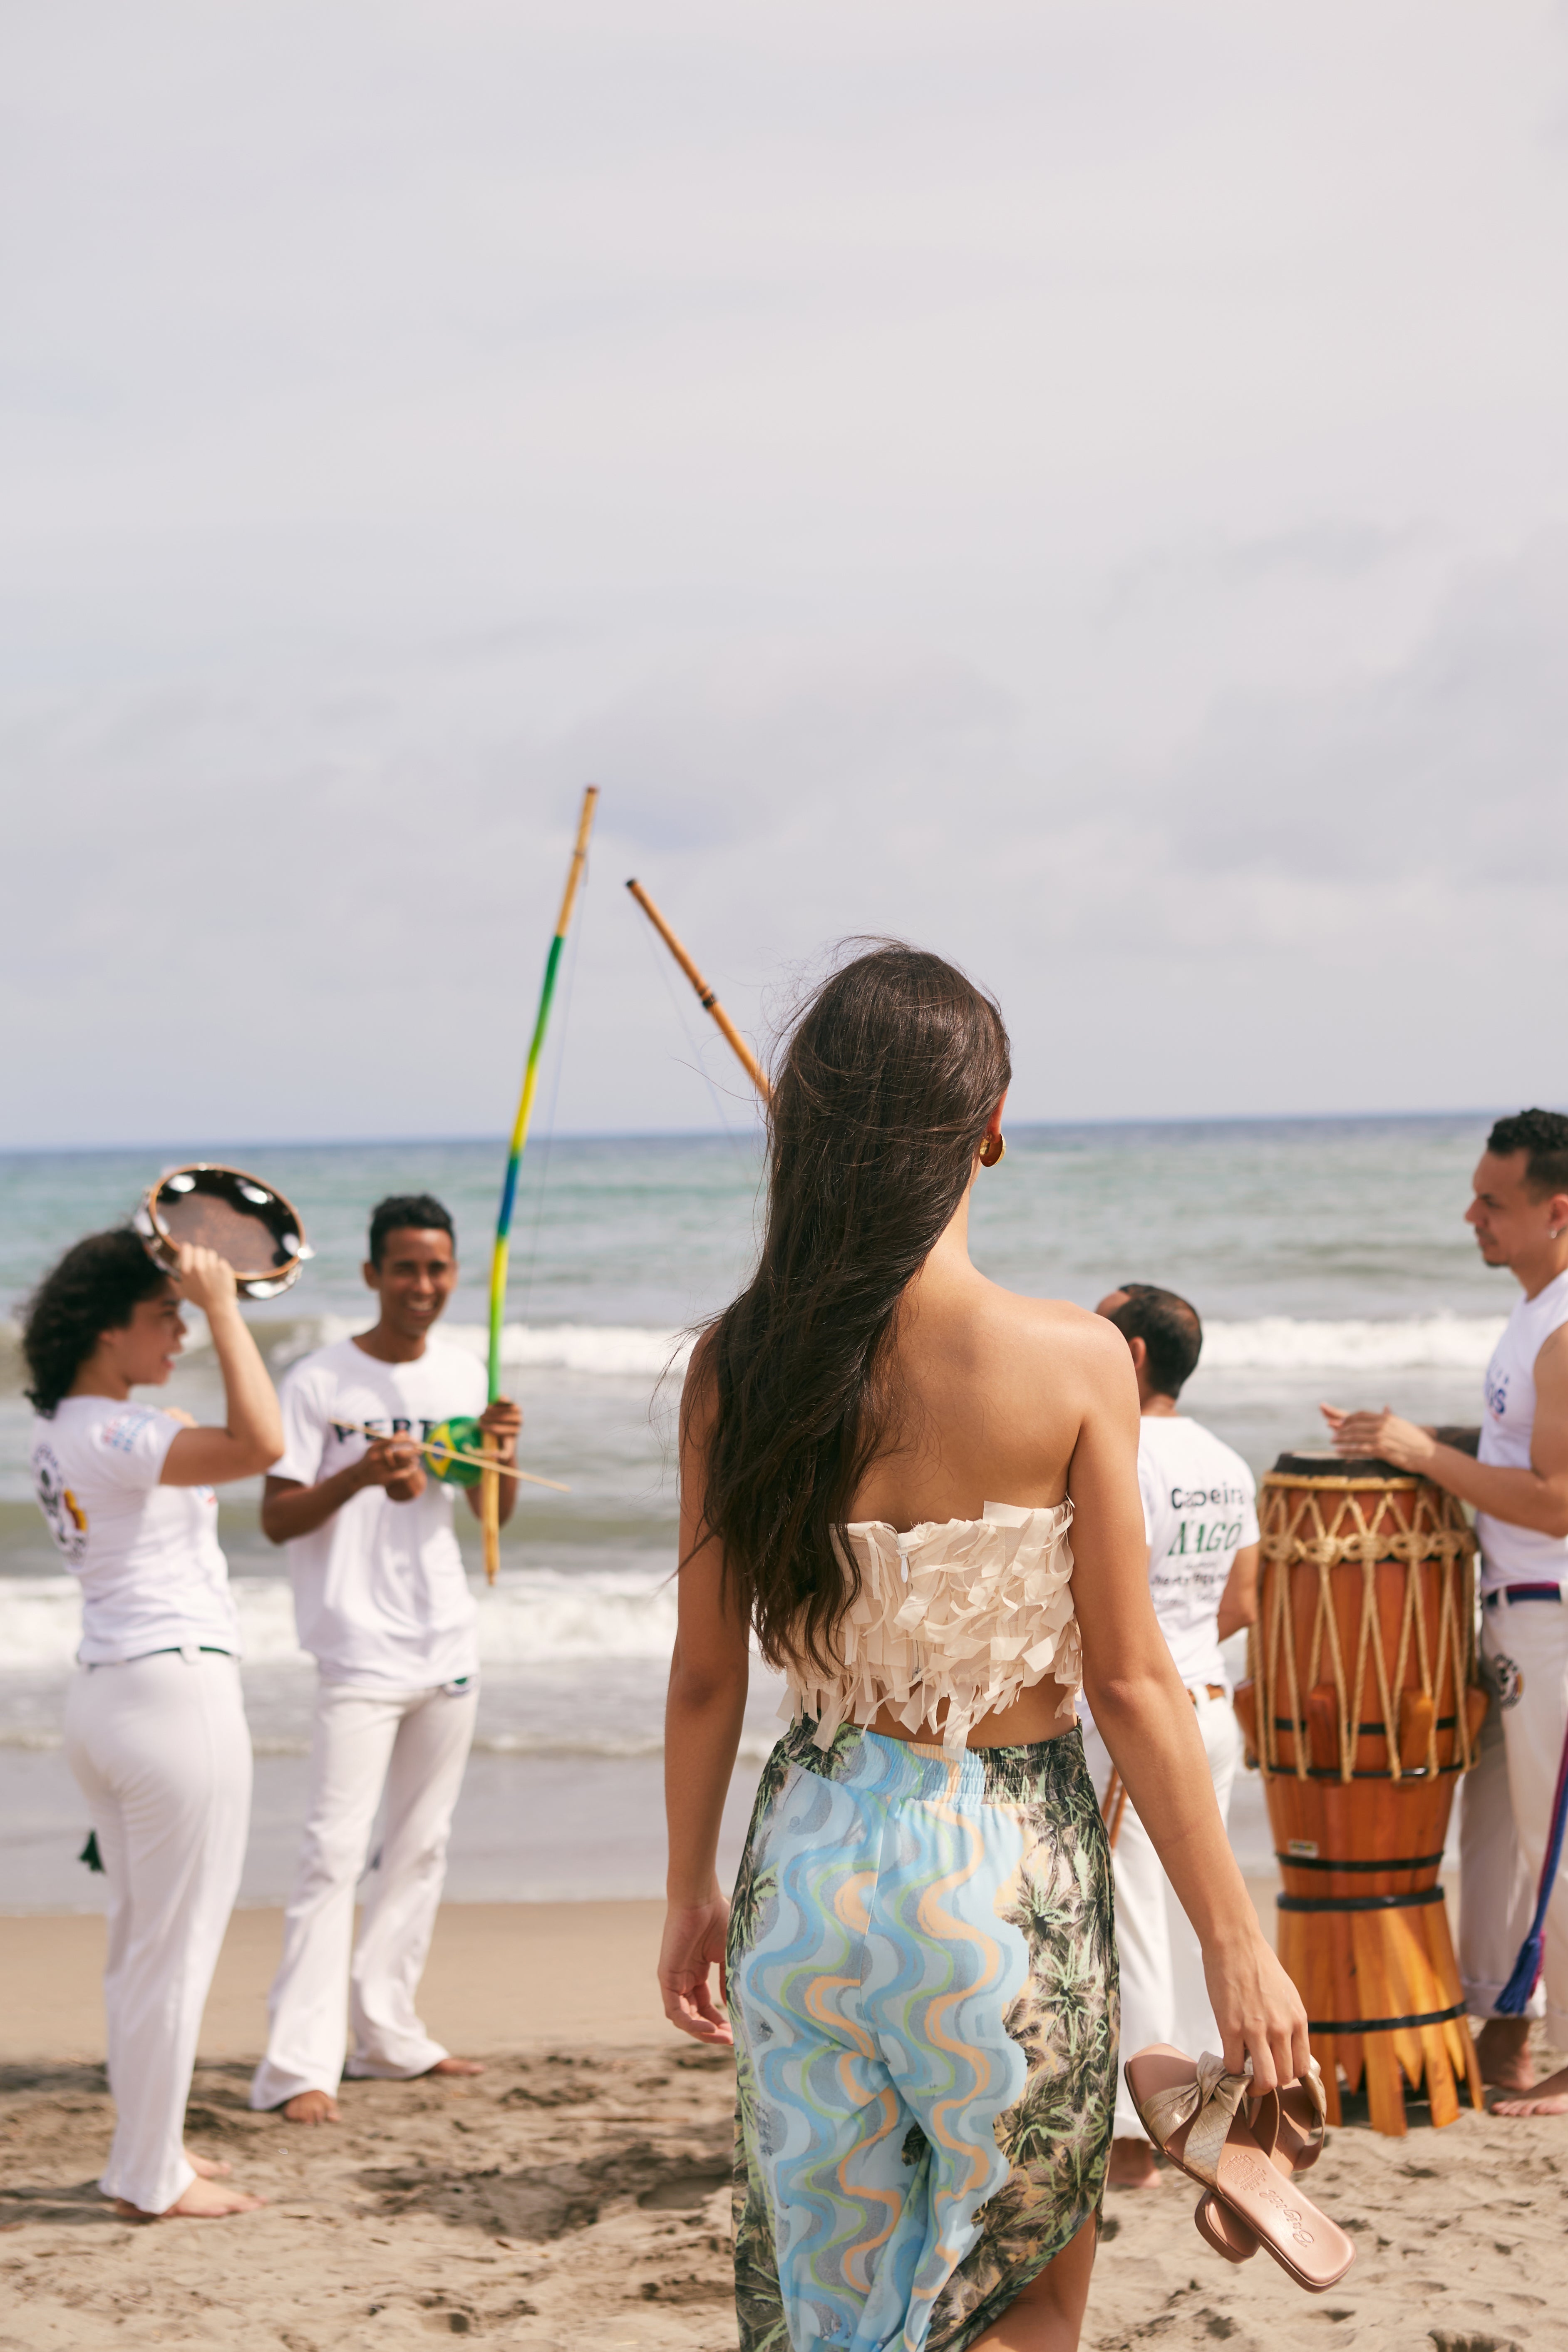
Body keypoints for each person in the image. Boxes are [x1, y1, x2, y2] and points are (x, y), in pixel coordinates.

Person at [658, 946, 1307, 2352]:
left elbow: (705, 1672)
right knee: (1018, 2298)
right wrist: (1231, 1939)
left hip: (808, 1861)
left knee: (823, 2294)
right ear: (989, 1123)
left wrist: (683, 1887)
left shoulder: (736, 1360)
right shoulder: (1072, 1359)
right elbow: (1134, 1679)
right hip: (997, 1875)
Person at [24, 1229, 283, 2219]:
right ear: (105, 1329)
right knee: (173, 1948)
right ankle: (148, 2175)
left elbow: (186, 1462)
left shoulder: (70, 1429)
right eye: (161, 1316)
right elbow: (262, 1446)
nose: (177, 1331)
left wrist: (173, 1392)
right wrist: (224, 1308)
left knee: (141, 1943)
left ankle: (149, 2145)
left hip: (107, 1697)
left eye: (183, 1314)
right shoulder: (118, 1435)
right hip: (174, 1700)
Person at [248, 1194, 523, 2125]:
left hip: (445, 1638)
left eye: (438, 1268)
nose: (423, 1286)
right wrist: (361, 1473)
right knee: (331, 1855)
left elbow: (492, 1519)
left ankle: (387, 2035)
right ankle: (298, 2065)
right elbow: (275, 1515)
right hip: (355, 1650)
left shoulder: (462, 1369)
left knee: (421, 1848)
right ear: (371, 1275)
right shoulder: (317, 1382)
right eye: (404, 1268)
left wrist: (502, 1459)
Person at [1323, 1106, 1568, 2117]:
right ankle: (1507, 2033)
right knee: (1506, 1838)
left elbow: (1557, 1499)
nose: (1471, 1215)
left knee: (1557, 1841)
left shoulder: (1563, 1326)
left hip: (1555, 1606)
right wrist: (1411, 1439)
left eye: (1492, 1202)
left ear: (1559, 1212)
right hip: (1517, 1611)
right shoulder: (1536, 1311)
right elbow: (1520, 1452)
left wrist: (1426, 1458)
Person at [1084, 1284, 1258, 2189]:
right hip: (1211, 1700)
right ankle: (1203, 2105)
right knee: (1203, 1913)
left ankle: (1133, 2134)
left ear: (1136, 1356)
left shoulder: (1121, 1450)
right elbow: (1242, 1599)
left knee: (1131, 1916)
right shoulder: (1227, 1460)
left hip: (1143, 1718)